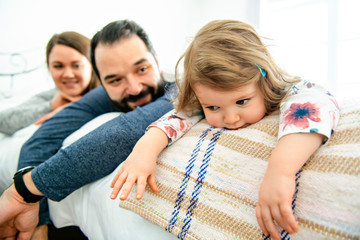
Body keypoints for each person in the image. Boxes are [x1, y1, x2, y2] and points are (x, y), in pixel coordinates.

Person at [110, 20, 340, 240]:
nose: (230, 118)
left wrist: (281, 172)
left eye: (242, 101)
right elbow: (179, 116)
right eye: (213, 107)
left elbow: (314, 102)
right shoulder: (199, 102)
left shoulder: (292, 90)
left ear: (265, 80)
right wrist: (144, 152)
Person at [0, 19, 175, 239]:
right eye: (114, 80)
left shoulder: (181, 87)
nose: (134, 88)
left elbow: (126, 131)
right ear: (100, 81)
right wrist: (40, 223)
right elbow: (42, 138)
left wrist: (22, 192)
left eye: (141, 69)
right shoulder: (100, 95)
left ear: (157, 61)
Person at [0, 31, 100, 135]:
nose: (68, 74)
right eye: (58, 66)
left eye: (76, 65)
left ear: (93, 65)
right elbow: (2, 121)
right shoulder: (50, 96)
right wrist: (51, 106)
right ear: (49, 67)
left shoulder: (110, 93)